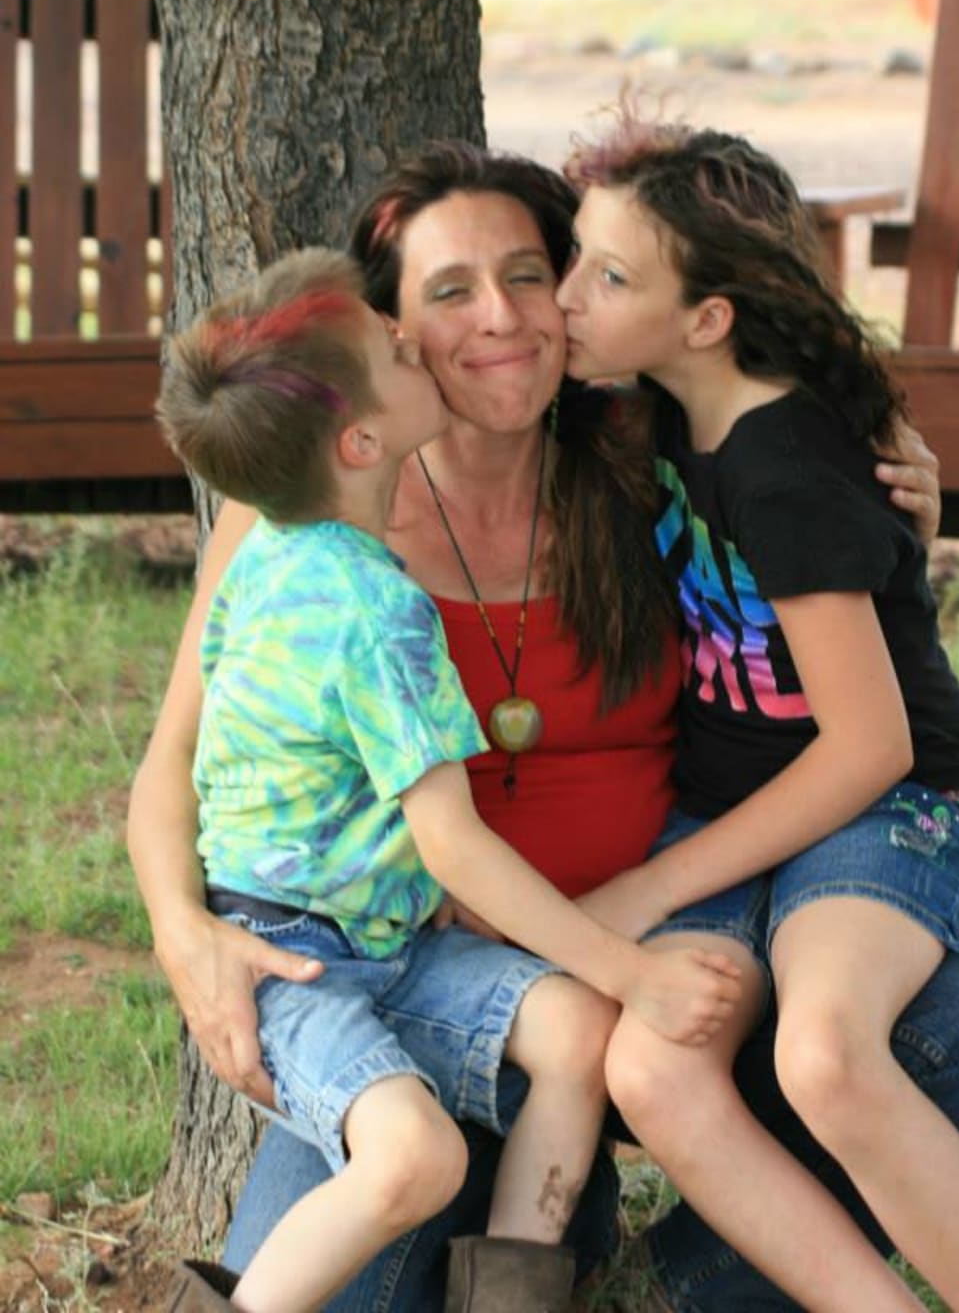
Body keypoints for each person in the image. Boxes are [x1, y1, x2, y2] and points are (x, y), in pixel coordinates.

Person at [128, 140, 959, 1313]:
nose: (500, 316)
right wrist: (183, 935)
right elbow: (175, 766)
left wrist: (891, 509)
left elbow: (808, 536)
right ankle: (544, 1211)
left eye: (528, 275)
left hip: (646, 961)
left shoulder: (650, 459)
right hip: (402, 982)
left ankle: (677, 1283)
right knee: (347, 1275)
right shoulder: (299, 528)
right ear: (391, 332)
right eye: (450, 291)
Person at [152, 248, 742, 1313]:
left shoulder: (270, 552)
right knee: (417, 1160)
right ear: (362, 442)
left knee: (570, 1031)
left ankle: (511, 1295)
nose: (411, 338)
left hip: (386, 940)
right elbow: (453, 844)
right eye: (393, 346)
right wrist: (634, 972)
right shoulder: (379, 612)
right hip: (294, 963)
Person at [555, 117, 959, 1313]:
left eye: (609, 277)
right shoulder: (664, 409)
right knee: (653, 1068)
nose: (564, 299)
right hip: (735, 810)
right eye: (574, 261)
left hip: (884, 807)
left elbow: (869, 746)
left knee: (824, 1054)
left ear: (707, 319)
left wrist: (648, 889)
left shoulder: (783, 468)